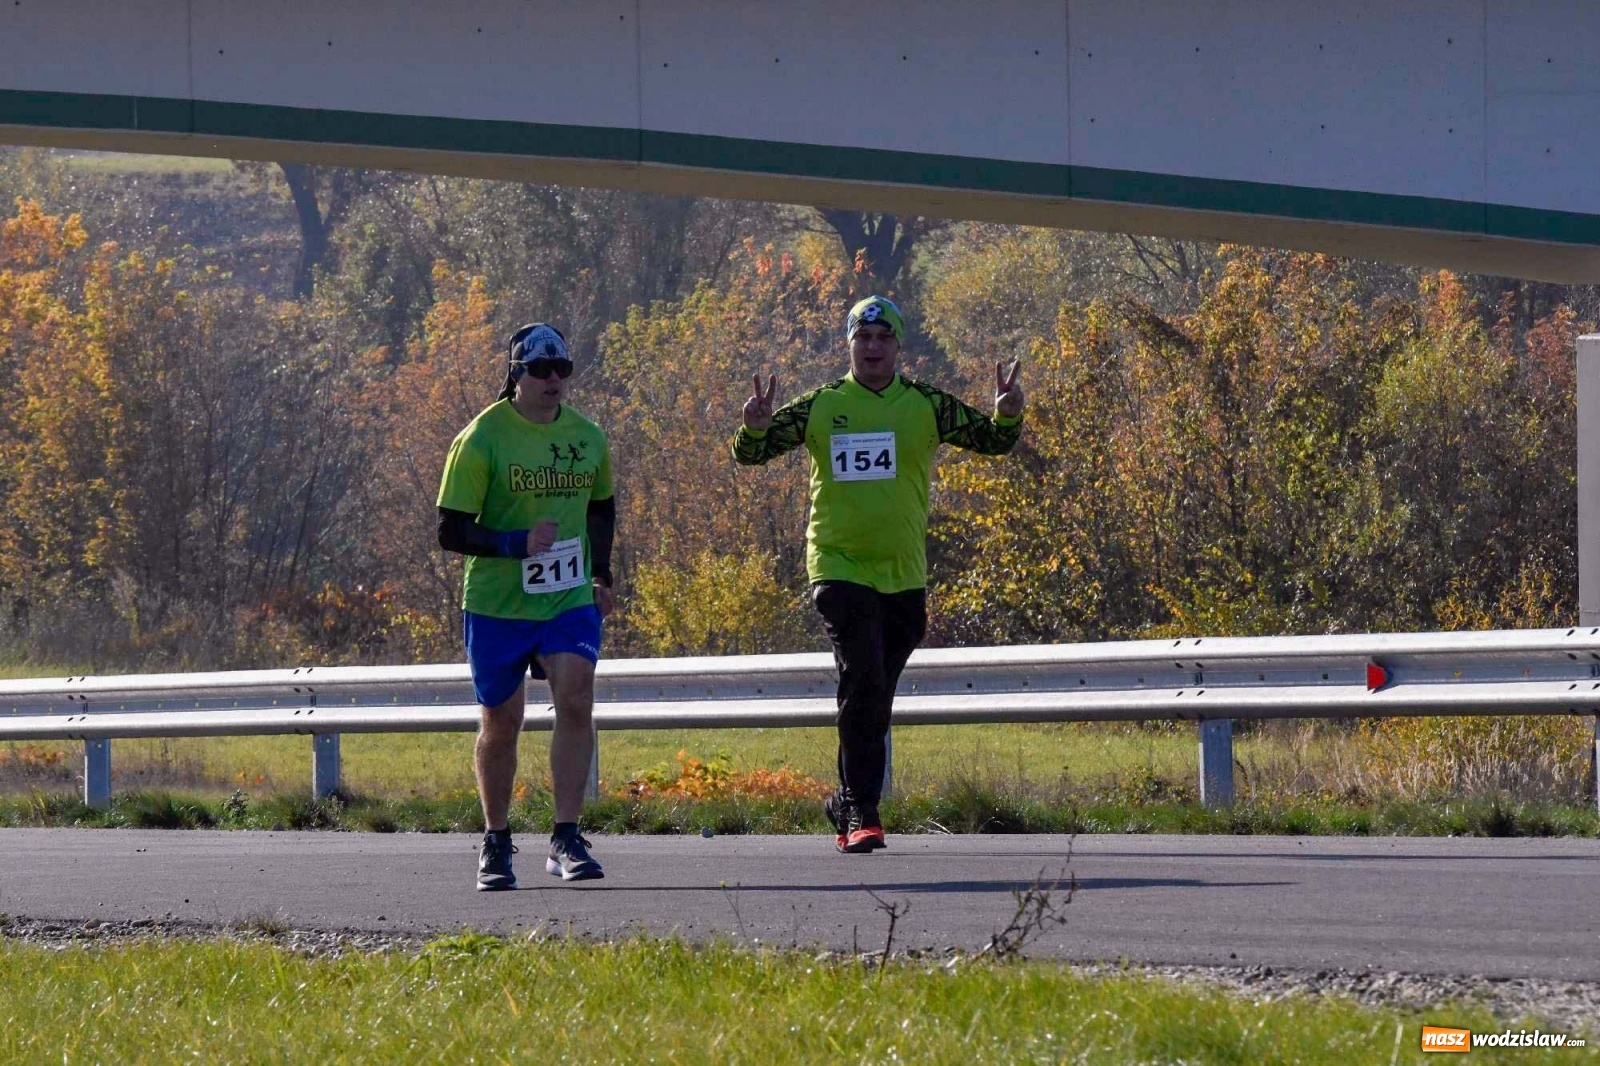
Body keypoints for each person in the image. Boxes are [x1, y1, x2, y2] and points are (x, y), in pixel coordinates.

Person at [731, 295, 1024, 853]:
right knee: (863, 677)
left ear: (897, 345)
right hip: (838, 566)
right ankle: (865, 809)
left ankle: (843, 799)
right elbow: (750, 455)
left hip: (904, 574)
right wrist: (754, 427)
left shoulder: (925, 405)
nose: (872, 348)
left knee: (872, 696)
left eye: (882, 338)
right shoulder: (821, 405)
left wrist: (1007, 411)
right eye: (861, 338)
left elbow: (993, 441)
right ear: (849, 344)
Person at [437, 322, 616, 889]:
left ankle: (566, 836)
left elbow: (601, 508)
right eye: (540, 370)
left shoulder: (588, 437)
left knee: (577, 696)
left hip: (566, 597)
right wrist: (514, 544)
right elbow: (450, 531)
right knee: (503, 719)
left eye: (563, 369)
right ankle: (496, 838)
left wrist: (603, 572)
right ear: (516, 374)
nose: (553, 380)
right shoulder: (481, 438)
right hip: (496, 603)